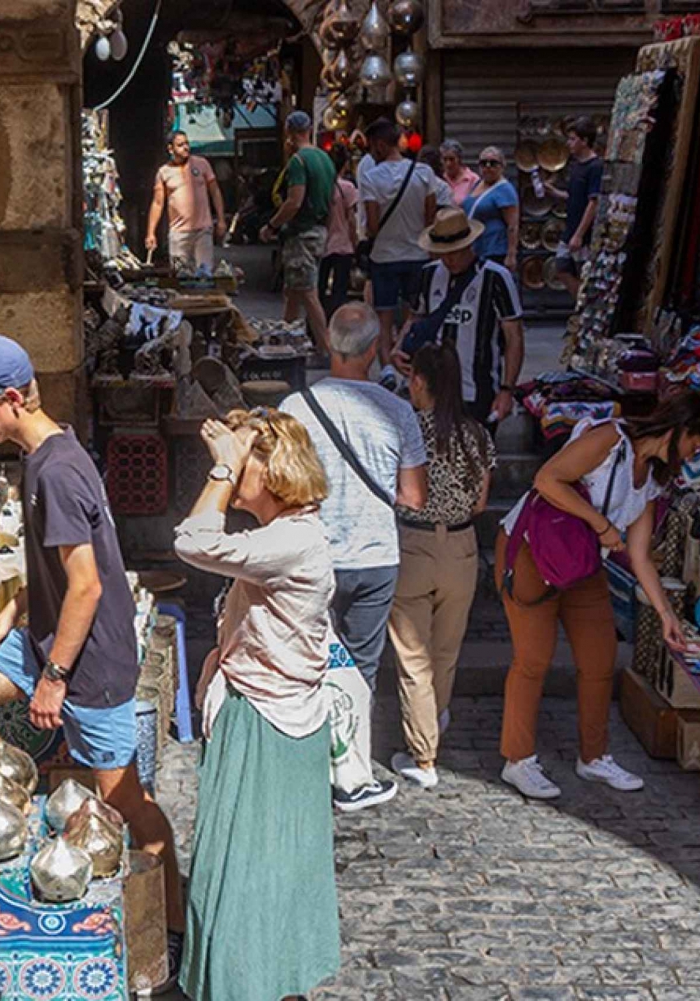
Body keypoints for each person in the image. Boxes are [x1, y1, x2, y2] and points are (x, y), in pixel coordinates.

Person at [0, 335, 186, 982]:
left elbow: (89, 585)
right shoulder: (43, 455)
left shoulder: (59, 470)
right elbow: (59, 569)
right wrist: (12, 613)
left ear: (13, 399)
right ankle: (11, 793)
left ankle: (172, 928)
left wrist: (53, 678)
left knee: (127, 802)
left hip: (86, 662)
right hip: (42, 634)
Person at [173, 407, 344, 1000]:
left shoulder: (289, 543)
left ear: (271, 471)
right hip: (277, 717)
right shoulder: (291, 535)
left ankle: (247, 984)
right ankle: (272, 980)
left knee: (241, 872)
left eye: (246, 464)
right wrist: (232, 449)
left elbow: (192, 539)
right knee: (271, 867)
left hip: (266, 726)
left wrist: (224, 463)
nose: (228, 473)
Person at [497, 392, 700, 800]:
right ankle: (518, 759)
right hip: (534, 551)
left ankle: (594, 756)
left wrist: (666, 614)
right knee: (533, 660)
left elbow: (639, 555)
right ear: (680, 430)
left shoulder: (651, 479)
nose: (693, 455)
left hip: (580, 563)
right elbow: (546, 479)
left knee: (600, 657)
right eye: (695, 444)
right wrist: (600, 524)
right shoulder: (609, 439)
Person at [282, 301, 428, 811]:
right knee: (361, 666)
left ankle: (302, 763)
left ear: (330, 347)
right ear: (373, 350)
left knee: (304, 659)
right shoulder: (398, 411)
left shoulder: (295, 409)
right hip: (373, 555)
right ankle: (351, 772)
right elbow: (414, 497)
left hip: (311, 555)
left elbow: (280, 487)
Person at [387, 344, 495, 790]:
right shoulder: (476, 435)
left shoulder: (407, 431)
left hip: (414, 544)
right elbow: (481, 502)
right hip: (462, 546)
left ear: (420, 381)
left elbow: (397, 489)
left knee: (413, 656)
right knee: (445, 652)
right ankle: (433, 721)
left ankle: (423, 756)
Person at [394, 206, 525, 427]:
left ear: (469, 245)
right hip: (431, 391)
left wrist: (507, 390)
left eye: (455, 251)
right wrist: (399, 347)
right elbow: (415, 318)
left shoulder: (496, 277)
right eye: (443, 251)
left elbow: (514, 337)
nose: (449, 258)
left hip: (477, 392)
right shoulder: (428, 274)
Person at [360, 118, 439, 363]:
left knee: (384, 317)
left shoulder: (371, 178)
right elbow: (431, 221)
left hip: (384, 257)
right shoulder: (424, 173)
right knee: (413, 315)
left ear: (381, 145)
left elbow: (372, 226)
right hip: (418, 256)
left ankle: (386, 370)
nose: (372, 153)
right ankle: (411, 366)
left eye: (372, 147)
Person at [259, 110, 337, 354]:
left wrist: (271, 225)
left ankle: (327, 350)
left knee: (308, 293)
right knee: (292, 290)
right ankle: (283, 341)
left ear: (290, 133)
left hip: (301, 233)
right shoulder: (325, 159)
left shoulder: (298, 161)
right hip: (319, 230)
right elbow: (333, 200)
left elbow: (294, 201)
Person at [146, 130, 227, 272]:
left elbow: (215, 192)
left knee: (205, 274)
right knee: (180, 276)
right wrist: (151, 232)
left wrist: (221, 220)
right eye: (180, 145)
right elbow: (158, 203)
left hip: (203, 231)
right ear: (170, 149)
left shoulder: (202, 164)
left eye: (187, 143)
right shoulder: (163, 172)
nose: (186, 147)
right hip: (178, 234)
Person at [552, 116, 603, 296]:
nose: (569, 143)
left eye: (573, 139)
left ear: (585, 141)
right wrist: (553, 191)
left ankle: (583, 308)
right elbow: (573, 196)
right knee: (561, 267)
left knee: (583, 272)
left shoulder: (595, 166)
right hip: (570, 228)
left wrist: (579, 235)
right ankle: (580, 303)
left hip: (583, 233)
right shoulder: (576, 166)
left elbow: (593, 201)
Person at [319, 144, 359, 321]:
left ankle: (317, 327)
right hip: (343, 245)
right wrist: (355, 240)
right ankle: (337, 325)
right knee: (340, 291)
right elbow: (351, 219)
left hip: (322, 245)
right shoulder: (348, 188)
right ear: (344, 165)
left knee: (319, 290)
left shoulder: (321, 187)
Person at [463, 146, 519, 272]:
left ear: (502, 166)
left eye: (493, 163)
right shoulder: (478, 184)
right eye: (483, 163)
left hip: (495, 250)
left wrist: (511, 255)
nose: (488, 166)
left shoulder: (505, 190)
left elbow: (512, 225)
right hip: (476, 249)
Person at [441, 139, 481, 205]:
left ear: (459, 159)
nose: (448, 163)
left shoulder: (472, 180)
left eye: (452, 159)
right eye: (445, 159)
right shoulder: (440, 179)